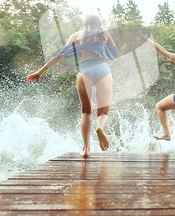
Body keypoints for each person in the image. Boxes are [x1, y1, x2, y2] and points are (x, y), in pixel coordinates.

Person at [27, 15, 118, 157]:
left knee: (86, 112)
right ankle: (99, 127)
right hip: (103, 69)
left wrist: (40, 72)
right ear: (99, 23)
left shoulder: (77, 35)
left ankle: (86, 149)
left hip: (85, 70)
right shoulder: (104, 32)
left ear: (84, 23)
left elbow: (60, 55)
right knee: (103, 113)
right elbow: (114, 53)